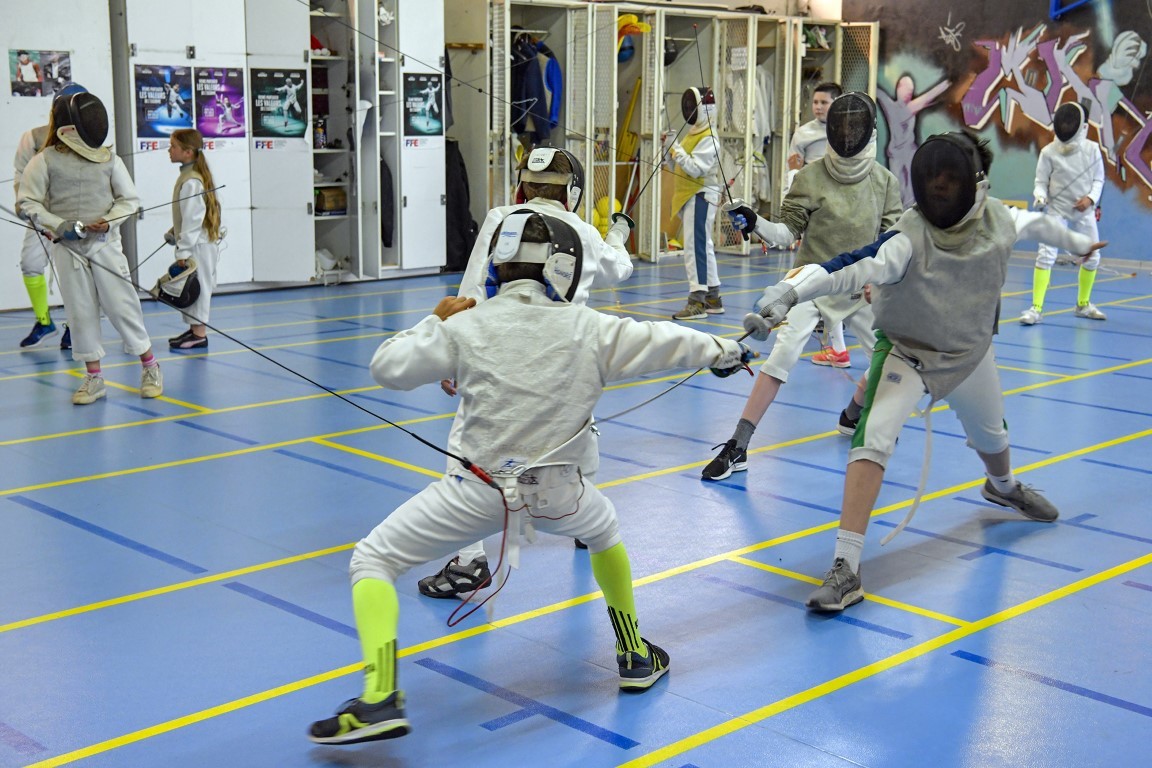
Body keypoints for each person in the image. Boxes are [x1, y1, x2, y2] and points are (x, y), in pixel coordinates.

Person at [307, 210, 750, 745]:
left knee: (373, 559)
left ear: (499, 267)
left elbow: (388, 367)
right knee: (604, 530)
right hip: (561, 494)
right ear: (565, 268)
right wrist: (728, 351)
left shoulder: (467, 322)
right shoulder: (592, 327)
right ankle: (634, 653)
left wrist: (438, 321)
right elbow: (670, 340)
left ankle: (378, 698)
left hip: (475, 493)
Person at [744, 130, 1105, 612]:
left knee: (993, 440)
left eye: (948, 179)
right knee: (872, 439)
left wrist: (1080, 242)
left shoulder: (1002, 220)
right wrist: (790, 293)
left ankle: (1002, 488)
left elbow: (1042, 227)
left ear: (974, 182)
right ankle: (846, 568)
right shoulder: (908, 236)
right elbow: (852, 266)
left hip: (970, 355)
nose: (938, 188)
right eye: (931, 178)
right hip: (909, 355)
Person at [416, 146, 633, 598]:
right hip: (566, 364)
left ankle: (469, 561)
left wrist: (452, 349)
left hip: (500, 357)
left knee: (468, 451)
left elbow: (473, 285)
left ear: (523, 186)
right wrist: (618, 233)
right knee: (577, 431)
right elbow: (620, 270)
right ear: (571, 192)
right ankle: (584, 525)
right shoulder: (583, 230)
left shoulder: (500, 219)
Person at [703, 92, 902, 481]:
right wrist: (755, 221)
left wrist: (878, 281)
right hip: (809, 283)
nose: (848, 134)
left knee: (889, 355)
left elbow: (890, 241)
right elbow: (785, 232)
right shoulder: (810, 176)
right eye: (841, 127)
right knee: (780, 359)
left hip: (860, 285)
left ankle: (854, 412)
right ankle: (738, 445)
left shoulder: (884, 182)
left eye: (854, 128)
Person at [17, 92, 163, 405]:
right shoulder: (44, 160)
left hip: (104, 245)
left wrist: (109, 221)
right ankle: (94, 379)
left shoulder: (110, 159)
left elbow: (130, 200)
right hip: (68, 248)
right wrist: (58, 224)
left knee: (122, 306)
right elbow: (27, 202)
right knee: (80, 312)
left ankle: (150, 367)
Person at [12, 82, 87, 349]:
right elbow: (20, 173)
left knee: (73, 273)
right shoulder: (33, 137)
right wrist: (22, 203)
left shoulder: (90, 137)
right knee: (30, 263)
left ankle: (74, 326)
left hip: (73, 218)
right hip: (41, 215)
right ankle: (44, 321)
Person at [1020, 101, 1107, 325]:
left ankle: (1083, 304)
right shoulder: (1048, 153)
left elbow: (1099, 179)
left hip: (1084, 212)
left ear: (1080, 126)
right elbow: (1040, 182)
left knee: (1092, 256)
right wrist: (1040, 196)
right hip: (1056, 211)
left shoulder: (1092, 149)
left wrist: (1090, 199)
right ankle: (1036, 308)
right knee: (1046, 254)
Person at [785, 82, 853, 368]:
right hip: (815, 209)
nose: (818, 107)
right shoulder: (803, 133)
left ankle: (836, 342)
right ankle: (833, 341)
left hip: (843, 210)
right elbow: (793, 170)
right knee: (819, 273)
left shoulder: (850, 131)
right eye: (815, 102)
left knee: (834, 276)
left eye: (824, 102)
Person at [666, 86, 724, 321]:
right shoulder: (693, 133)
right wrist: (668, 147)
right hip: (691, 195)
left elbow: (696, 169)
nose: (689, 110)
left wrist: (676, 149)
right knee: (703, 246)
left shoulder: (709, 138)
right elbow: (678, 168)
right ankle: (712, 297)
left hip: (701, 195)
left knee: (695, 247)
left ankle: (697, 301)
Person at [165, 128, 223, 350]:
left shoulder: (191, 181)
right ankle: (193, 330)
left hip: (197, 246)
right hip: (196, 243)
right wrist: (174, 232)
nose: (169, 151)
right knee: (191, 288)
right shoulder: (189, 176)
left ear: (187, 152)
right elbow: (188, 215)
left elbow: (193, 220)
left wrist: (183, 251)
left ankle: (199, 335)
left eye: (173, 147)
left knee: (197, 288)